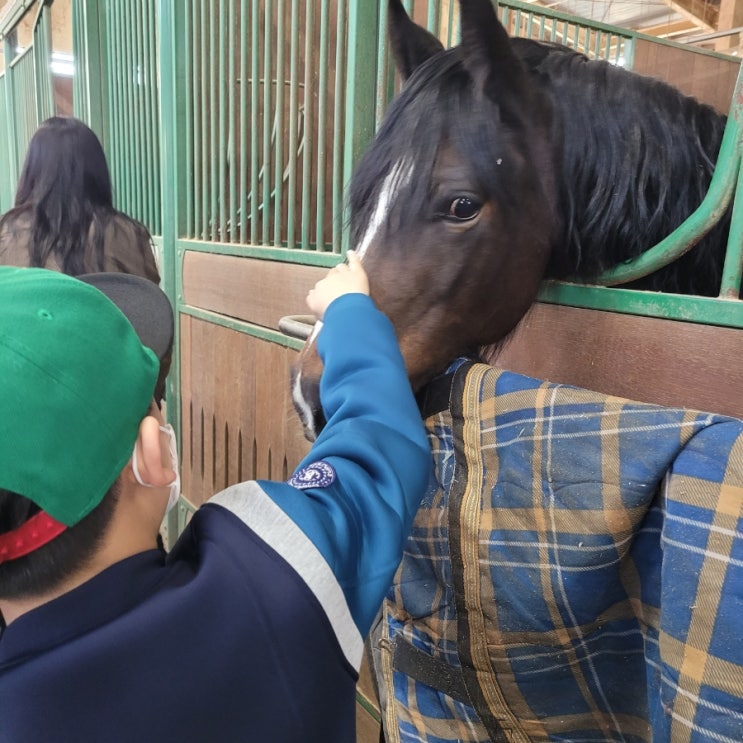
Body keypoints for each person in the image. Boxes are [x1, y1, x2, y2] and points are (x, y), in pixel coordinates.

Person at [0, 252, 431, 742]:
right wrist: (350, 310)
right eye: (155, 404)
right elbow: (378, 448)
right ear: (152, 454)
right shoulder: (266, 580)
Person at [0, 116, 160, 283]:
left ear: (31, 172)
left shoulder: (5, 231)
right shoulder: (126, 234)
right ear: (97, 173)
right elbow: (149, 300)